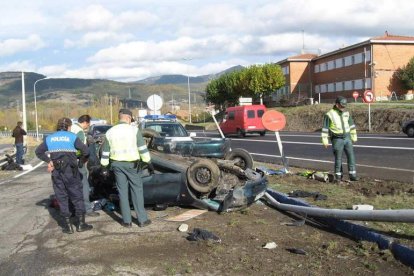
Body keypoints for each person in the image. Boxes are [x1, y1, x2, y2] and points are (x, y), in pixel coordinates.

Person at [35, 117, 93, 234]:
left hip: (57, 171)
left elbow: (38, 151)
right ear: (68, 127)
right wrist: (81, 161)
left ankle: (68, 226)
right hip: (71, 171)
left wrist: (49, 161)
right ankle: (81, 224)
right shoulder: (72, 137)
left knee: (61, 197)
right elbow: (86, 151)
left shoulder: (50, 138)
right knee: (77, 196)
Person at [100, 109, 154, 228]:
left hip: (117, 165)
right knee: (136, 191)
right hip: (132, 165)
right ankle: (142, 220)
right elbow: (142, 148)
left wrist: (104, 166)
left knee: (122, 192)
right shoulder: (134, 130)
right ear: (128, 118)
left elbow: (105, 152)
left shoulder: (110, 132)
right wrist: (147, 161)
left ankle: (126, 221)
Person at [321, 96, 358, 183]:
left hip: (347, 138)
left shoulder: (346, 113)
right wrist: (325, 141)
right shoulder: (329, 114)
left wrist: (354, 136)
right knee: (338, 159)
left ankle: (352, 175)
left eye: (344, 106)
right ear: (337, 105)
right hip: (337, 139)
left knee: (351, 156)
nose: (343, 107)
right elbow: (325, 129)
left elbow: (352, 126)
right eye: (342, 106)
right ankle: (338, 177)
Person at [70, 114, 99, 217]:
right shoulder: (80, 131)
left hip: (69, 162)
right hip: (78, 162)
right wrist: (83, 158)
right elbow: (80, 148)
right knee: (84, 184)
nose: (88, 126)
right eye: (88, 124)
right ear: (85, 122)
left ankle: (73, 208)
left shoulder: (71, 128)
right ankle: (87, 209)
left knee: (72, 185)